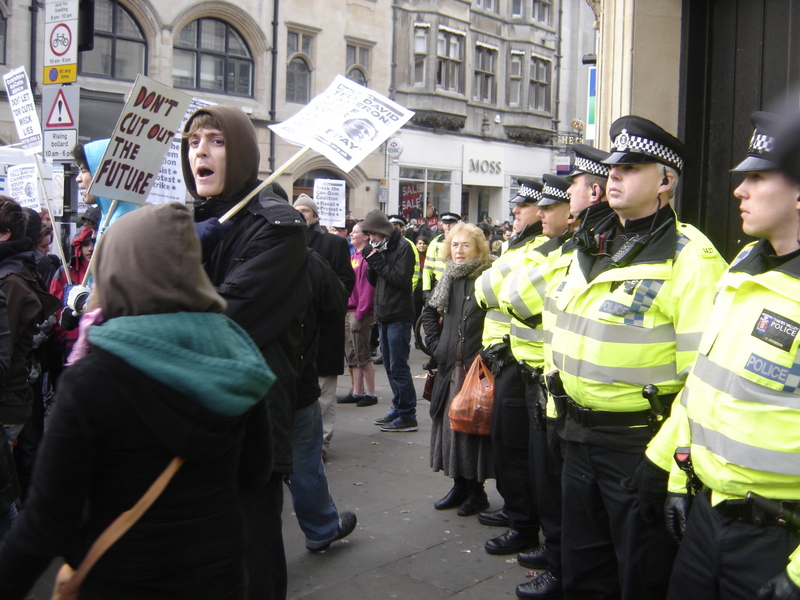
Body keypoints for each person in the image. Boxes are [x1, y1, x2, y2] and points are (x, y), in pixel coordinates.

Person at [0, 202, 276, 600]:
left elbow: (48, 520)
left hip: (123, 581)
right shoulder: (235, 356)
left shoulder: (93, 379)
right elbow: (255, 472)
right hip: (219, 578)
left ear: (117, 272)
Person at [548, 115, 727, 600]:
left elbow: (703, 377)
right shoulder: (589, 242)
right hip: (577, 432)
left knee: (639, 576)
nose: (614, 176)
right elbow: (559, 326)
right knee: (583, 569)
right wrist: (554, 408)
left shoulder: (691, 257)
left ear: (665, 181)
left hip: (638, 443)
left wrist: (667, 458)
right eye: (612, 168)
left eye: (631, 167)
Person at [646, 110, 800, 600]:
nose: (740, 189)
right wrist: (677, 474)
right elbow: (704, 385)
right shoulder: (743, 266)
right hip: (709, 517)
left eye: (757, 177)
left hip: (779, 539)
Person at [183, 104, 309, 600]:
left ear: (239, 151)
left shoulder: (278, 227)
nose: (201, 152)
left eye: (215, 140)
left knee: (251, 554)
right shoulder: (192, 220)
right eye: (193, 142)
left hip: (248, 420)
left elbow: (221, 321)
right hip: (195, 412)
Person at [473, 178, 547, 549]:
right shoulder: (519, 244)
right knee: (506, 442)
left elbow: (486, 290)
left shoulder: (536, 246)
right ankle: (515, 510)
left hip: (523, 360)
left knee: (515, 445)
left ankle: (522, 522)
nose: (514, 211)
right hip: (506, 354)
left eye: (524, 206)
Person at [423, 223, 493, 516]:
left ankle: (477, 492)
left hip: (475, 370)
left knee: (471, 430)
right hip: (449, 368)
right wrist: (438, 346)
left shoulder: (487, 279)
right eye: (455, 245)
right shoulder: (447, 279)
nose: (459, 251)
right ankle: (458, 485)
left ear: (478, 250)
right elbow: (428, 313)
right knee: (450, 429)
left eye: (466, 245)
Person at [0, 197, 60, 540]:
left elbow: (5, 351)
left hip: (10, 395)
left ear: (5, 234)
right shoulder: (14, 273)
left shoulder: (10, 282)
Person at [293, 193, 354, 457]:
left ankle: (322, 443)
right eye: (296, 210)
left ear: (315, 216)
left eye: (305, 211)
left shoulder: (333, 244)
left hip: (325, 329)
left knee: (325, 393)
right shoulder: (284, 244)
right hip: (295, 331)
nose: (300, 214)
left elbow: (346, 283)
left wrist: (323, 294)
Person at [361, 209, 417, 432]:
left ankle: (407, 415)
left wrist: (376, 259)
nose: (370, 239)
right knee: (391, 367)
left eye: (372, 234)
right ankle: (398, 407)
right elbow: (374, 280)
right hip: (384, 314)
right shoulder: (381, 248)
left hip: (399, 315)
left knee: (399, 366)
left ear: (382, 231)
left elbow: (399, 280)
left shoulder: (403, 247)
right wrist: (371, 260)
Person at [338, 222, 377, 407]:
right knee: (352, 354)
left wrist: (361, 313)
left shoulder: (367, 258)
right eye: (351, 232)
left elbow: (367, 289)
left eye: (355, 232)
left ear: (366, 236)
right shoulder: (353, 255)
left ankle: (371, 393)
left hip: (360, 312)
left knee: (363, 354)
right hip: (349, 310)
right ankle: (357, 391)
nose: (351, 234)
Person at [49, 227, 96, 366]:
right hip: (70, 338)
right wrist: (62, 334)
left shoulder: (105, 270)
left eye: (94, 243)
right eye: (86, 244)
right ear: (78, 245)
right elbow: (54, 306)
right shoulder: (66, 272)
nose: (91, 248)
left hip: (97, 339)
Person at [73, 141, 139, 235]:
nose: (78, 179)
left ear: (103, 174)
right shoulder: (110, 216)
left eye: (84, 171)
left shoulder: (121, 222)